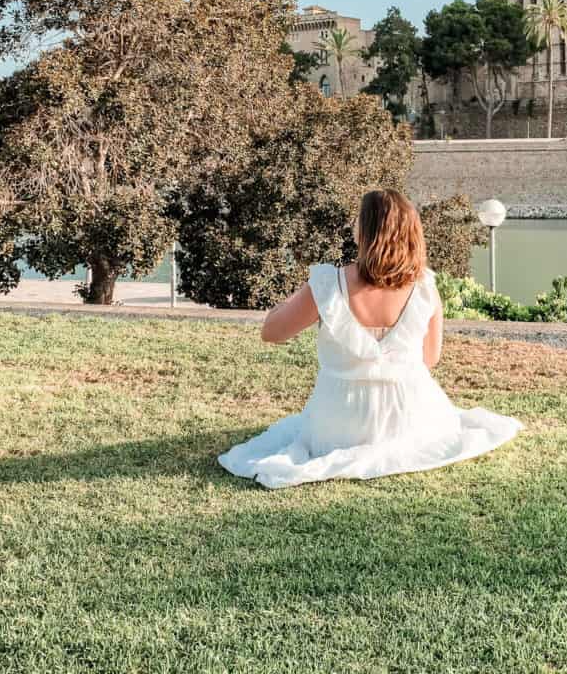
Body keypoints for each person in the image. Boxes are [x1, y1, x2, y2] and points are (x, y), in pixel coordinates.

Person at [219, 189, 521, 489]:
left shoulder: (328, 284)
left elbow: (271, 332)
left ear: (364, 230)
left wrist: (299, 296)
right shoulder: (426, 287)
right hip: (413, 420)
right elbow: (430, 359)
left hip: (337, 424)